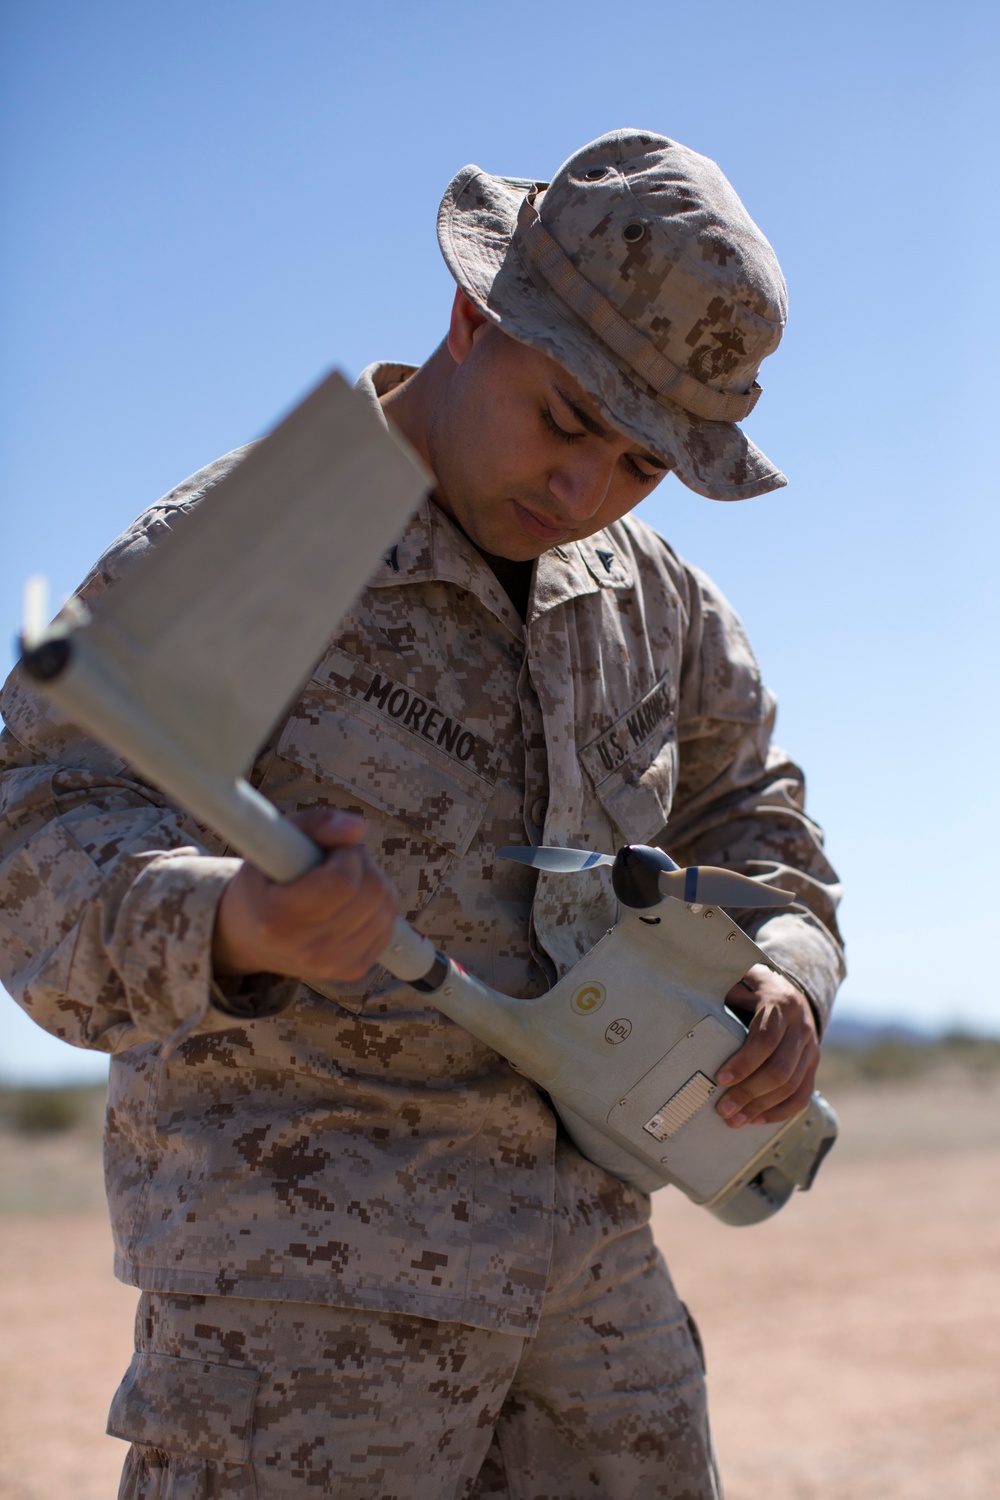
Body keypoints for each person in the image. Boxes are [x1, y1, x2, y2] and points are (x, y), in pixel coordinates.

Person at [0, 129, 844, 1498]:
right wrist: (236, 922)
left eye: (641, 464)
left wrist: (780, 973)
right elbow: (36, 823)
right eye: (566, 420)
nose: (584, 494)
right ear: (472, 316)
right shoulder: (269, 539)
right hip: (301, 1323)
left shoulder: (656, 603)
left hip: (596, 1312)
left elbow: (760, 822)